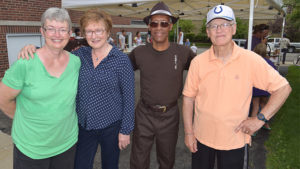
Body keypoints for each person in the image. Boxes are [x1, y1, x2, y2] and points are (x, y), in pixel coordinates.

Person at [17, 9, 135, 169]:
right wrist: (34, 48)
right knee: (80, 165)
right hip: (83, 126)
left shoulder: (121, 60)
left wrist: (125, 130)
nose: (94, 36)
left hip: (111, 126)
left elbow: (129, 98)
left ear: (107, 32)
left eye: (98, 30)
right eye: (89, 31)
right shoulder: (80, 55)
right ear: (84, 34)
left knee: (110, 165)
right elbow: (55, 53)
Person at [182, 5, 291, 169]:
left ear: (233, 28)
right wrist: (189, 133)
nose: (219, 30)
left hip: (234, 140)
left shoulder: (250, 60)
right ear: (207, 32)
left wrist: (259, 119)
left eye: (225, 24)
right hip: (201, 139)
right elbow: (188, 98)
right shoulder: (198, 62)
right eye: (214, 25)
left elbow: (283, 88)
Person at [0, 7, 80, 169]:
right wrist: (24, 118)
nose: (57, 35)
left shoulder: (75, 62)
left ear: (69, 33)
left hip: (67, 144)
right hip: (32, 149)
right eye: (51, 29)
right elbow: (3, 98)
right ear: (42, 32)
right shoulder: (25, 63)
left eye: (62, 30)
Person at [128, 2, 196, 169]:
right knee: (138, 160)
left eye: (164, 23)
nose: (159, 27)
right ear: (149, 27)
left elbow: (206, 68)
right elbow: (118, 71)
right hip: (144, 114)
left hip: (170, 115)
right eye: (154, 23)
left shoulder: (183, 52)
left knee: (167, 161)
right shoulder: (139, 53)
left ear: (170, 26)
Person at [251, 43, 277, 132]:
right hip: (265, 88)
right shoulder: (269, 62)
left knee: (255, 106)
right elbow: (274, 75)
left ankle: (253, 129)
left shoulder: (252, 62)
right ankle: (266, 124)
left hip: (255, 88)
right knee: (264, 106)